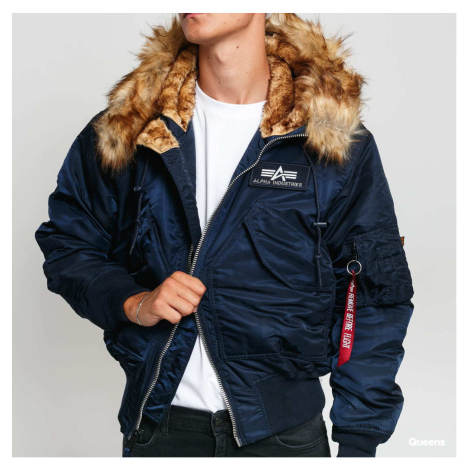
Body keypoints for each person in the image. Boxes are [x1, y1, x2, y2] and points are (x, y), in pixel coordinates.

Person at [35, 13, 415, 458]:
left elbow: (371, 293)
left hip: (284, 437)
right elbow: (69, 244)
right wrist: (133, 301)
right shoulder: (130, 128)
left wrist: (358, 439)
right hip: (160, 428)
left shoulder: (329, 138)